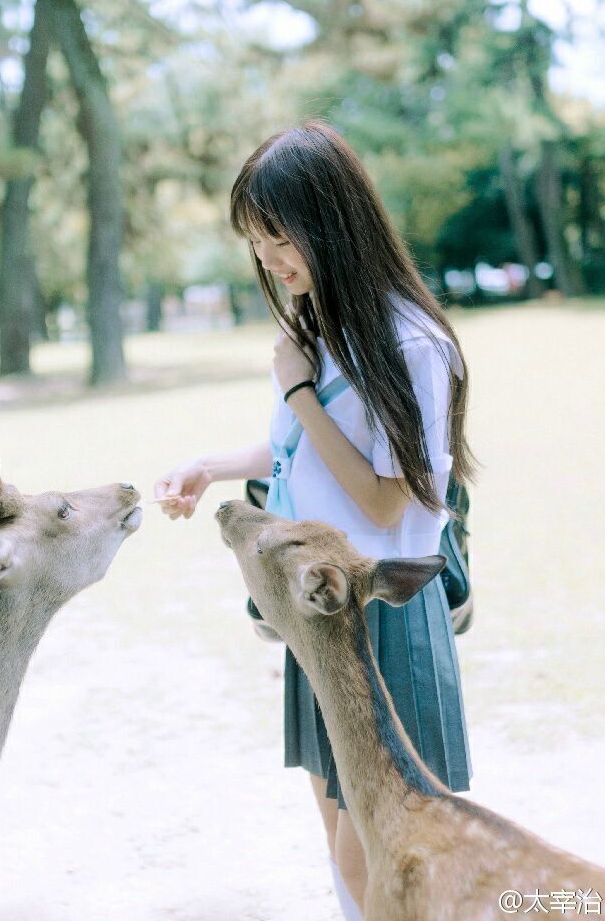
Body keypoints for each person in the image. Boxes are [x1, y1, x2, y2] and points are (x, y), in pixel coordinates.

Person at [153, 121, 474, 921]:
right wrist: (214, 467)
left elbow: (383, 499)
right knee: (340, 829)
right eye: (255, 240)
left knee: (375, 851)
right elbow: (304, 453)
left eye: (275, 236)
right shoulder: (323, 330)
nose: (267, 257)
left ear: (330, 223)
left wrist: (298, 389)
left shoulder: (410, 342)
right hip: (318, 608)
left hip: (380, 609)